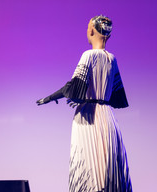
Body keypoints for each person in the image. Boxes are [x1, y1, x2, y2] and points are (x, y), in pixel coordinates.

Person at [36, 15, 132, 191]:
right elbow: (114, 92)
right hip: (107, 116)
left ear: (91, 31)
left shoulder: (88, 55)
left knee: (89, 164)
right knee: (108, 163)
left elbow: (72, 87)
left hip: (89, 116)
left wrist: (50, 98)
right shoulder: (112, 59)